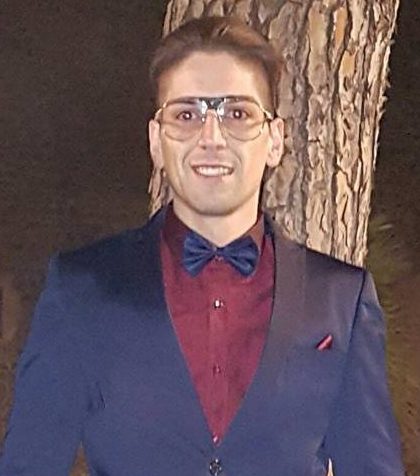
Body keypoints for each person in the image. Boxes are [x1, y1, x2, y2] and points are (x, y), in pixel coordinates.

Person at [0, 16, 404, 476]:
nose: (211, 138)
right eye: (187, 115)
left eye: (237, 114)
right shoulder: (81, 290)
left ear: (275, 140)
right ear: (157, 141)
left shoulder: (342, 299)